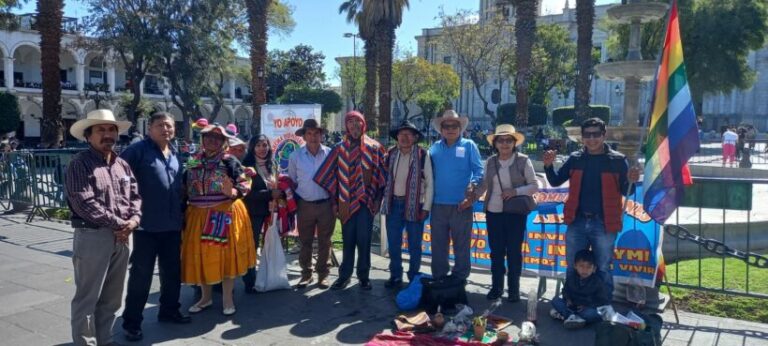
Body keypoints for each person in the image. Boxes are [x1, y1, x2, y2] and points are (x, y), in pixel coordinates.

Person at [65, 109, 141, 346]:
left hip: (122, 237)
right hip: (93, 236)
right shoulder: (80, 164)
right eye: (101, 130)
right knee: (87, 298)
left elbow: (135, 196)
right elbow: (83, 201)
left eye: (111, 130)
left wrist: (134, 220)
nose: (107, 134)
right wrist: (121, 224)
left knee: (112, 297)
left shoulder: (123, 165)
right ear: (88, 136)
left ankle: (105, 340)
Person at [542, 117, 640, 302]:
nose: (592, 139)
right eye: (587, 135)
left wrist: (632, 179)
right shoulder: (575, 159)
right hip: (577, 221)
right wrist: (548, 166)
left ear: (604, 135)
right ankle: (570, 301)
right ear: (582, 137)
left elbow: (629, 190)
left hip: (604, 223)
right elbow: (555, 181)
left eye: (596, 134)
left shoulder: (618, 160)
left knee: (602, 266)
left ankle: (603, 305)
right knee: (572, 265)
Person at [119, 112, 189, 342]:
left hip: (171, 225)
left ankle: (169, 310)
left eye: (169, 126)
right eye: (160, 125)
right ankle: (132, 323)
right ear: (150, 128)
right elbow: (119, 178)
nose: (165, 129)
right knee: (141, 276)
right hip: (145, 226)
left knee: (172, 273)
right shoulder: (137, 151)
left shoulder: (175, 153)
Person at [181, 122, 256, 316]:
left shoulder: (229, 161)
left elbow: (245, 184)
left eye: (217, 138)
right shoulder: (193, 160)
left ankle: (227, 299)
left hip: (222, 213)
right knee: (203, 256)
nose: (211, 141)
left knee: (225, 257)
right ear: (202, 139)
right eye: (208, 137)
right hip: (197, 214)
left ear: (223, 142)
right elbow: (183, 183)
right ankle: (205, 298)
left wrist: (232, 191)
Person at [314, 111, 386, 290]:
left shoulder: (374, 147)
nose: (354, 126)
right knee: (348, 240)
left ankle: (364, 276)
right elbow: (327, 174)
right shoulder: (339, 148)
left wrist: (377, 199)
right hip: (345, 202)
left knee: (364, 239)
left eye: (358, 122)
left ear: (363, 124)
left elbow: (382, 175)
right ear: (346, 126)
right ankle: (344, 276)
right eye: (350, 122)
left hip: (366, 203)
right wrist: (334, 201)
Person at [474, 124, 538, 302]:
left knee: (514, 252)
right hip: (493, 212)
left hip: (516, 213)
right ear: (495, 143)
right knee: (496, 251)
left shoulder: (523, 160)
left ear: (514, 142)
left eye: (508, 140)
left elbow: (534, 186)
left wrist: (514, 192)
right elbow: (484, 185)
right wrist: (472, 195)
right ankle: (496, 287)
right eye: (500, 140)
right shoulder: (491, 161)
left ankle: (514, 290)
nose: (504, 144)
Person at [428, 109, 483, 280]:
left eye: (454, 125)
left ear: (460, 128)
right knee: (438, 246)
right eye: (446, 126)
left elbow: (479, 170)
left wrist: (473, 184)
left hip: (462, 205)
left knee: (461, 245)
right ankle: (439, 277)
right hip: (437, 205)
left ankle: (459, 278)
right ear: (441, 129)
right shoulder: (434, 149)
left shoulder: (469, 145)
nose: (450, 129)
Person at [380, 120, 433, 288]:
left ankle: (413, 276)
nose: (404, 137)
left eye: (409, 134)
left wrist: (426, 207)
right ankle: (395, 275)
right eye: (401, 134)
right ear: (397, 137)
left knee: (415, 245)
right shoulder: (390, 154)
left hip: (415, 205)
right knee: (394, 243)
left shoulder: (423, 155)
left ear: (415, 137)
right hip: (393, 204)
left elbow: (430, 183)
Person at [288, 119, 335, 289]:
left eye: (316, 133)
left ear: (321, 135)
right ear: (304, 136)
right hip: (305, 205)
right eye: (309, 133)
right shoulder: (295, 156)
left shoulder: (330, 154)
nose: (313, 137)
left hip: (325, 204)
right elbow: (292, 181)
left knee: (325, 241)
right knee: (305, 241)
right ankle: (306, 274)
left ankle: (323, 275)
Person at [241, 134, 278, 293]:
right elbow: (247, 193)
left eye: (265, 145)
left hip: (270, 211)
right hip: (253, 212)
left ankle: (268, 276)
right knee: (252, 246)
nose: (262, 149)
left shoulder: (273, 164)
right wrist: (270, 194)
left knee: (270, 245)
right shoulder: (246, 166)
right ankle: (250, 281)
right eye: (258, 145)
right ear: (252, 147)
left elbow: (276, 186)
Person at [549, 249, 609, 329]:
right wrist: (568, 300)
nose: (585, 270)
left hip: (587, 308)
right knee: (555, 300)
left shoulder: (597, 282)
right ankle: (574, 317)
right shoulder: (571, 278)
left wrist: (587, 305)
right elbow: (565, 291)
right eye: (581, 266)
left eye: (588, 267)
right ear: (575, 266)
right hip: (573, 306)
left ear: (594, 268)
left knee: (593, 314)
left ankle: (568, 316)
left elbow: (602, 300)